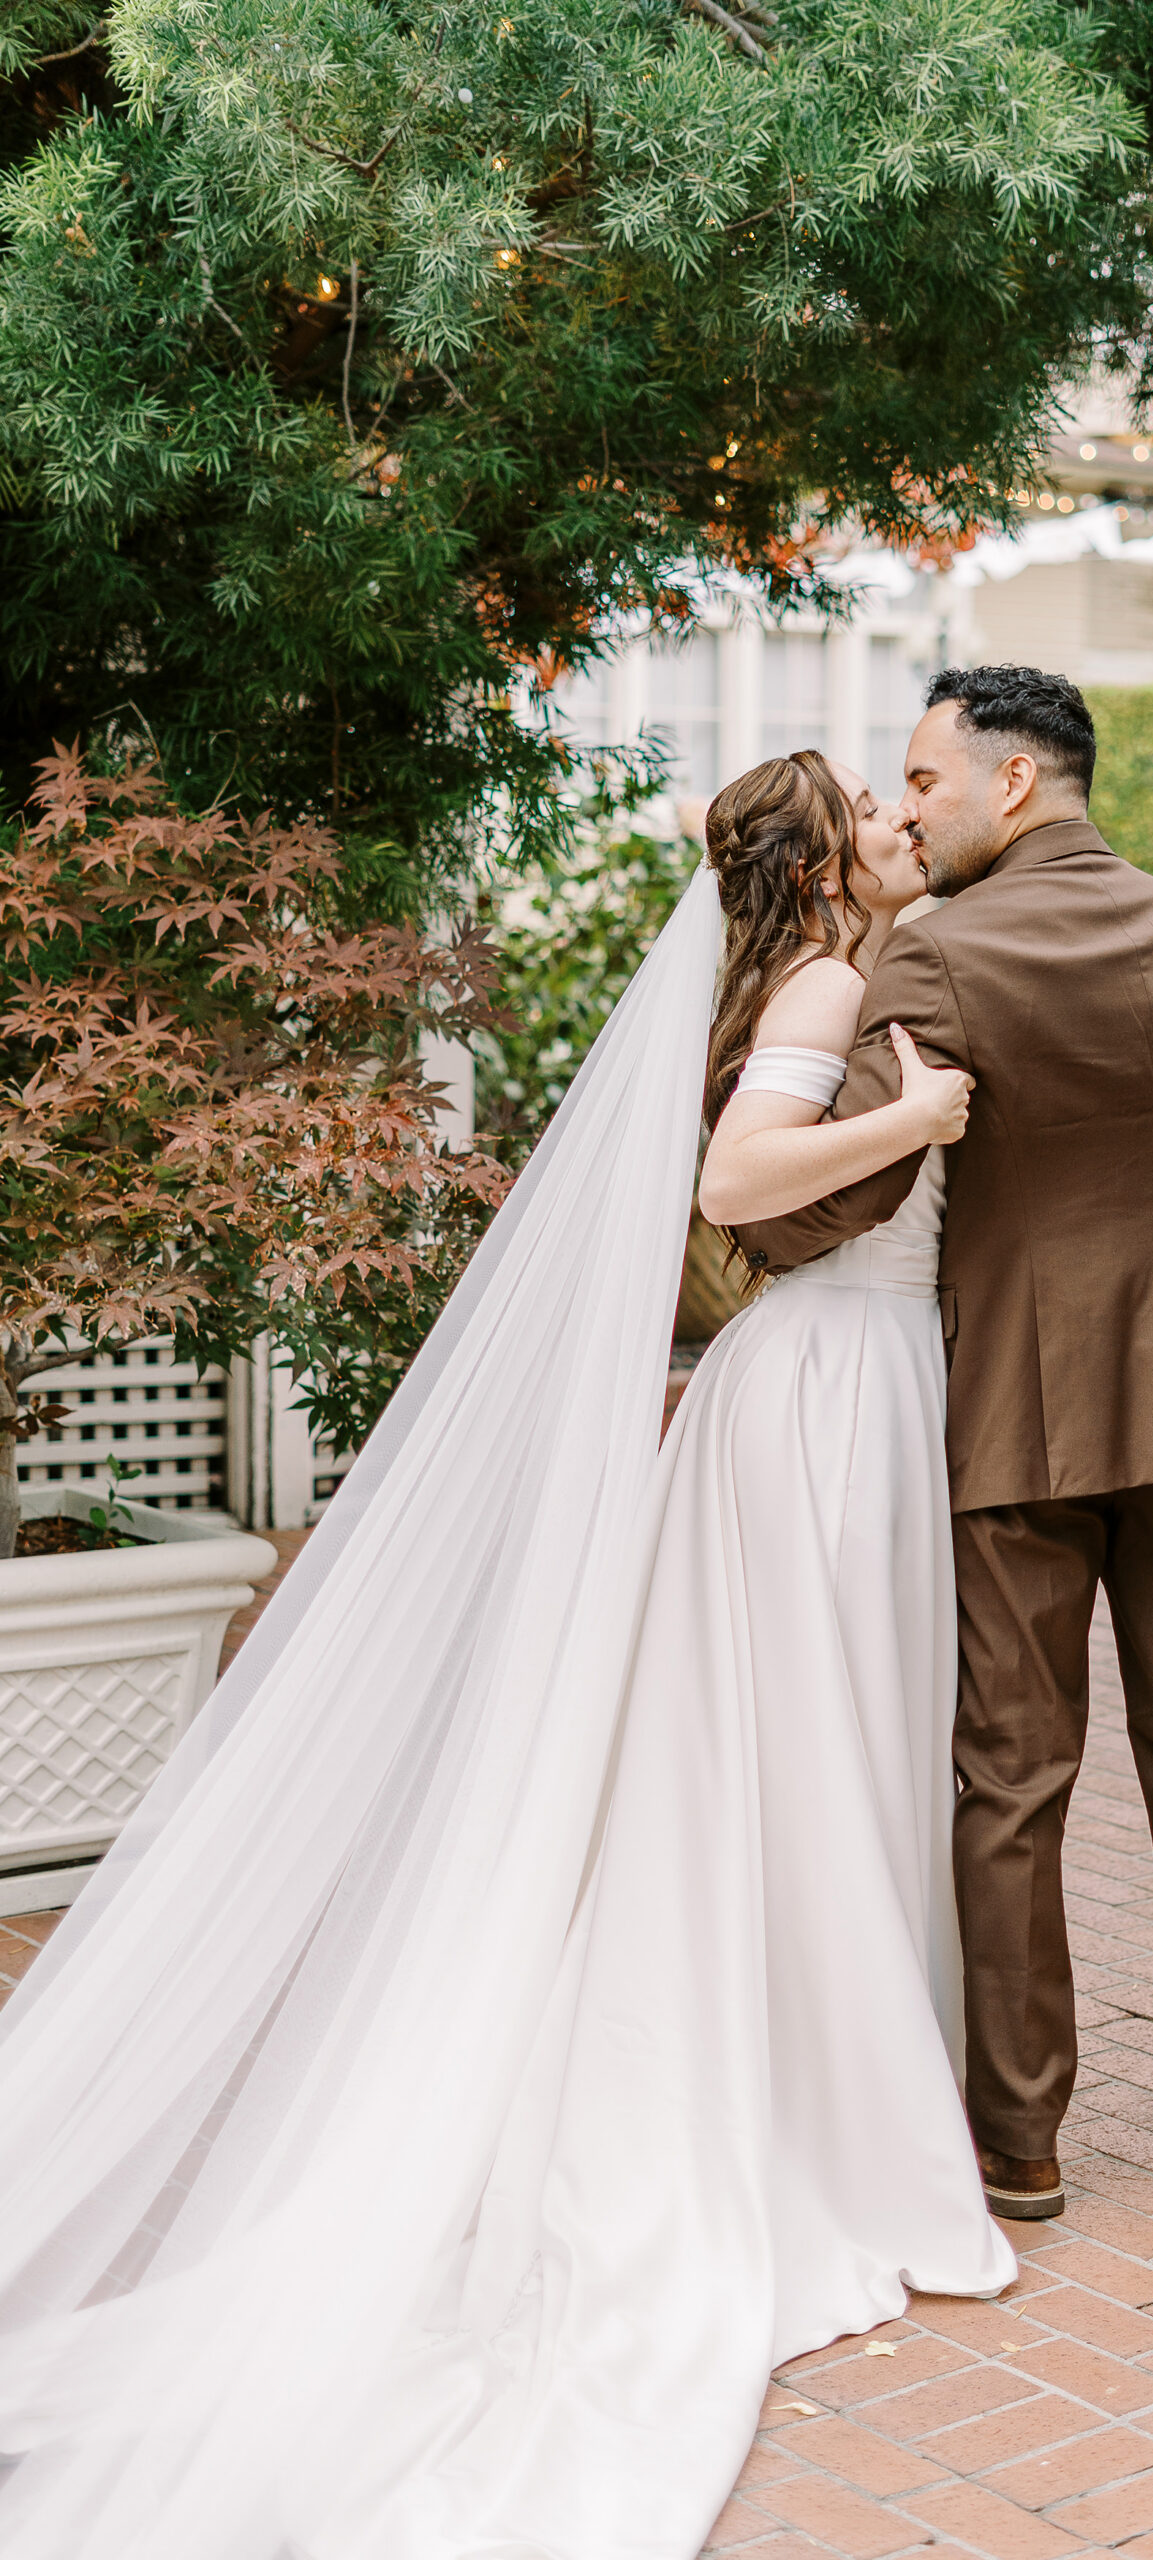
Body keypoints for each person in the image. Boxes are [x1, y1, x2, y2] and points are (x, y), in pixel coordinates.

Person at [0, 751, 1012, 2560]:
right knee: (816, 1754)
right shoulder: (835, 980)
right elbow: (737, 1177)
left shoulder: (829, 965)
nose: (893, 820)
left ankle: (832, 2073)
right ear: (821, 858)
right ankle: (834, 2123)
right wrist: (914, 1128)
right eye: (871, 804)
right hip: (830, 1392)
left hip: (832, 1384)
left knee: (792, 1761)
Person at [736, 665, 1153, 2218]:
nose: (903, 808)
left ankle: (1021, 2145)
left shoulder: (933, 964)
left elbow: (812, 1208)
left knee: (1009, 1777)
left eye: (922, 780)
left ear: (1010, 784)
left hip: (1007, 1416)